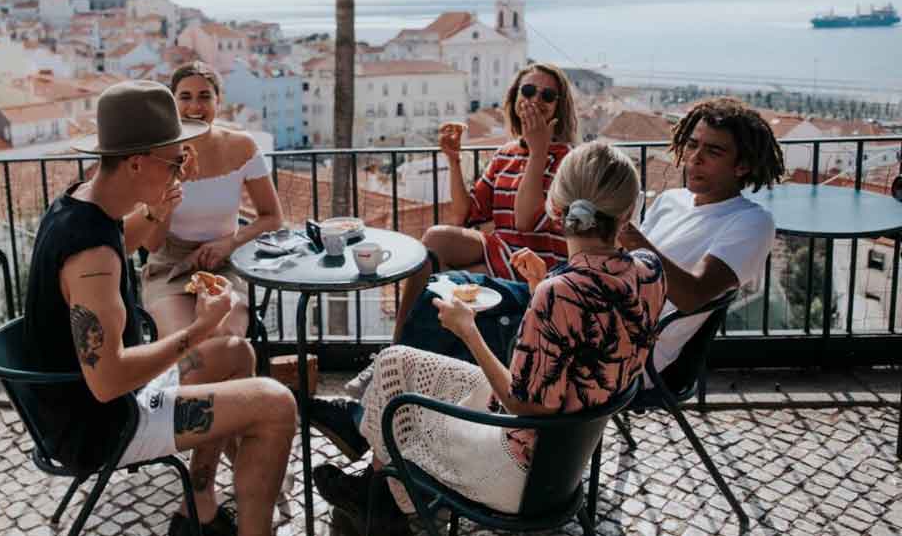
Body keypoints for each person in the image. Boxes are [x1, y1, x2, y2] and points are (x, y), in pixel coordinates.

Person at [314, 142, 666, 534]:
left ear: (555, 206)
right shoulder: (650, 271)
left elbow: (521, 403)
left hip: (522, 475)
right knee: (397, 361)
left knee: (400, 405)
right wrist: (539, 287)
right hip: (568, 456)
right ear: (628, 213)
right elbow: (589, 338)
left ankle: (380, 502)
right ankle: (376, 494)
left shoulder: (560, 293)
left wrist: (468, 330)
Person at [22, 81, 296, 536]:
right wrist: (199, 327)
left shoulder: (83, 201)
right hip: (104, 424)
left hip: (96, 399)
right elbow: (108, 382)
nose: (182, 170)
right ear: (136, 163)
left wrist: (157, 207)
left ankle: (199, 504)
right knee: (277, 405)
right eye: (175, 161)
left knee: (236, 353)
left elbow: (123, 241)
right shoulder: (92, 258)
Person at [342, 63, 578, 399]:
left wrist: (539, 151)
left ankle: (394, 370)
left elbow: (526, 222)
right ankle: (392, 355)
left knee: (441, 284)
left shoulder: (566, 159)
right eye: (528, 91)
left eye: (547, 95)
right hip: (500, 252)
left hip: (535, 268)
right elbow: (464, 215)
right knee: (434, 240)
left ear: (559, 106)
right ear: (514, 98)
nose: (536, 100)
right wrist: (453, 160)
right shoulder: (506, 154)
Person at [619, 97, 783, 377]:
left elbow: (692, 296)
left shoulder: (752, 222)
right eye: (692, 145)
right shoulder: (670, 200)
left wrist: (627, 232)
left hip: (638, 355)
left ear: (742, 165)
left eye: (714, 151)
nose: (696, 157)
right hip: (608, 319)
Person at [136, 61, 284, 342]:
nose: (195, 106)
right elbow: (152, 244)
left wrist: (229, 243)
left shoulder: (242, 145)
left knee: (225, 339)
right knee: (182, 342)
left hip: (226, 263)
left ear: (218, 101)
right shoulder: (155, 153)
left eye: (205, 96)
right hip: (170, 266)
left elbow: (272, 217)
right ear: (172, 103)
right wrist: (170, 182)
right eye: (185, 97)